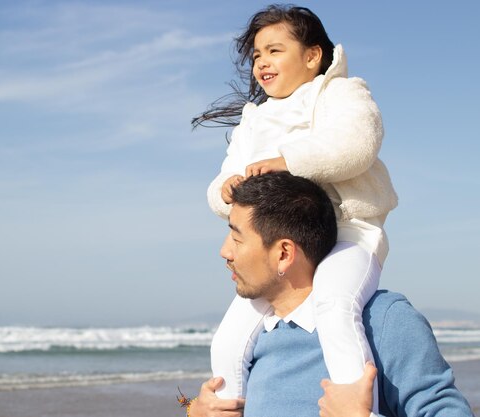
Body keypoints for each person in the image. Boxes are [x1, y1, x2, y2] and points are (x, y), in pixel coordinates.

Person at [191, 4, 397, 411]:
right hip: (287, 247)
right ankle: (228, 405)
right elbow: (221, 184)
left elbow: (356, 145)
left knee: (335, 305)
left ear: (312, 56)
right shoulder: (255, 119)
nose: (262, 62)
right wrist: (227, 190)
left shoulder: (341, 92)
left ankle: (358, 407)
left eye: (274, 50)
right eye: (256, 55)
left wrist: (289, 161)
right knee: (229, 336)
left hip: (348, 232)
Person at [187, 172, 473, 417]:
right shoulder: (247, 340)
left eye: (237, 238)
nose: (224, 252)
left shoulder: (384, 319)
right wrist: (193, 411)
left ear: (284, 254)